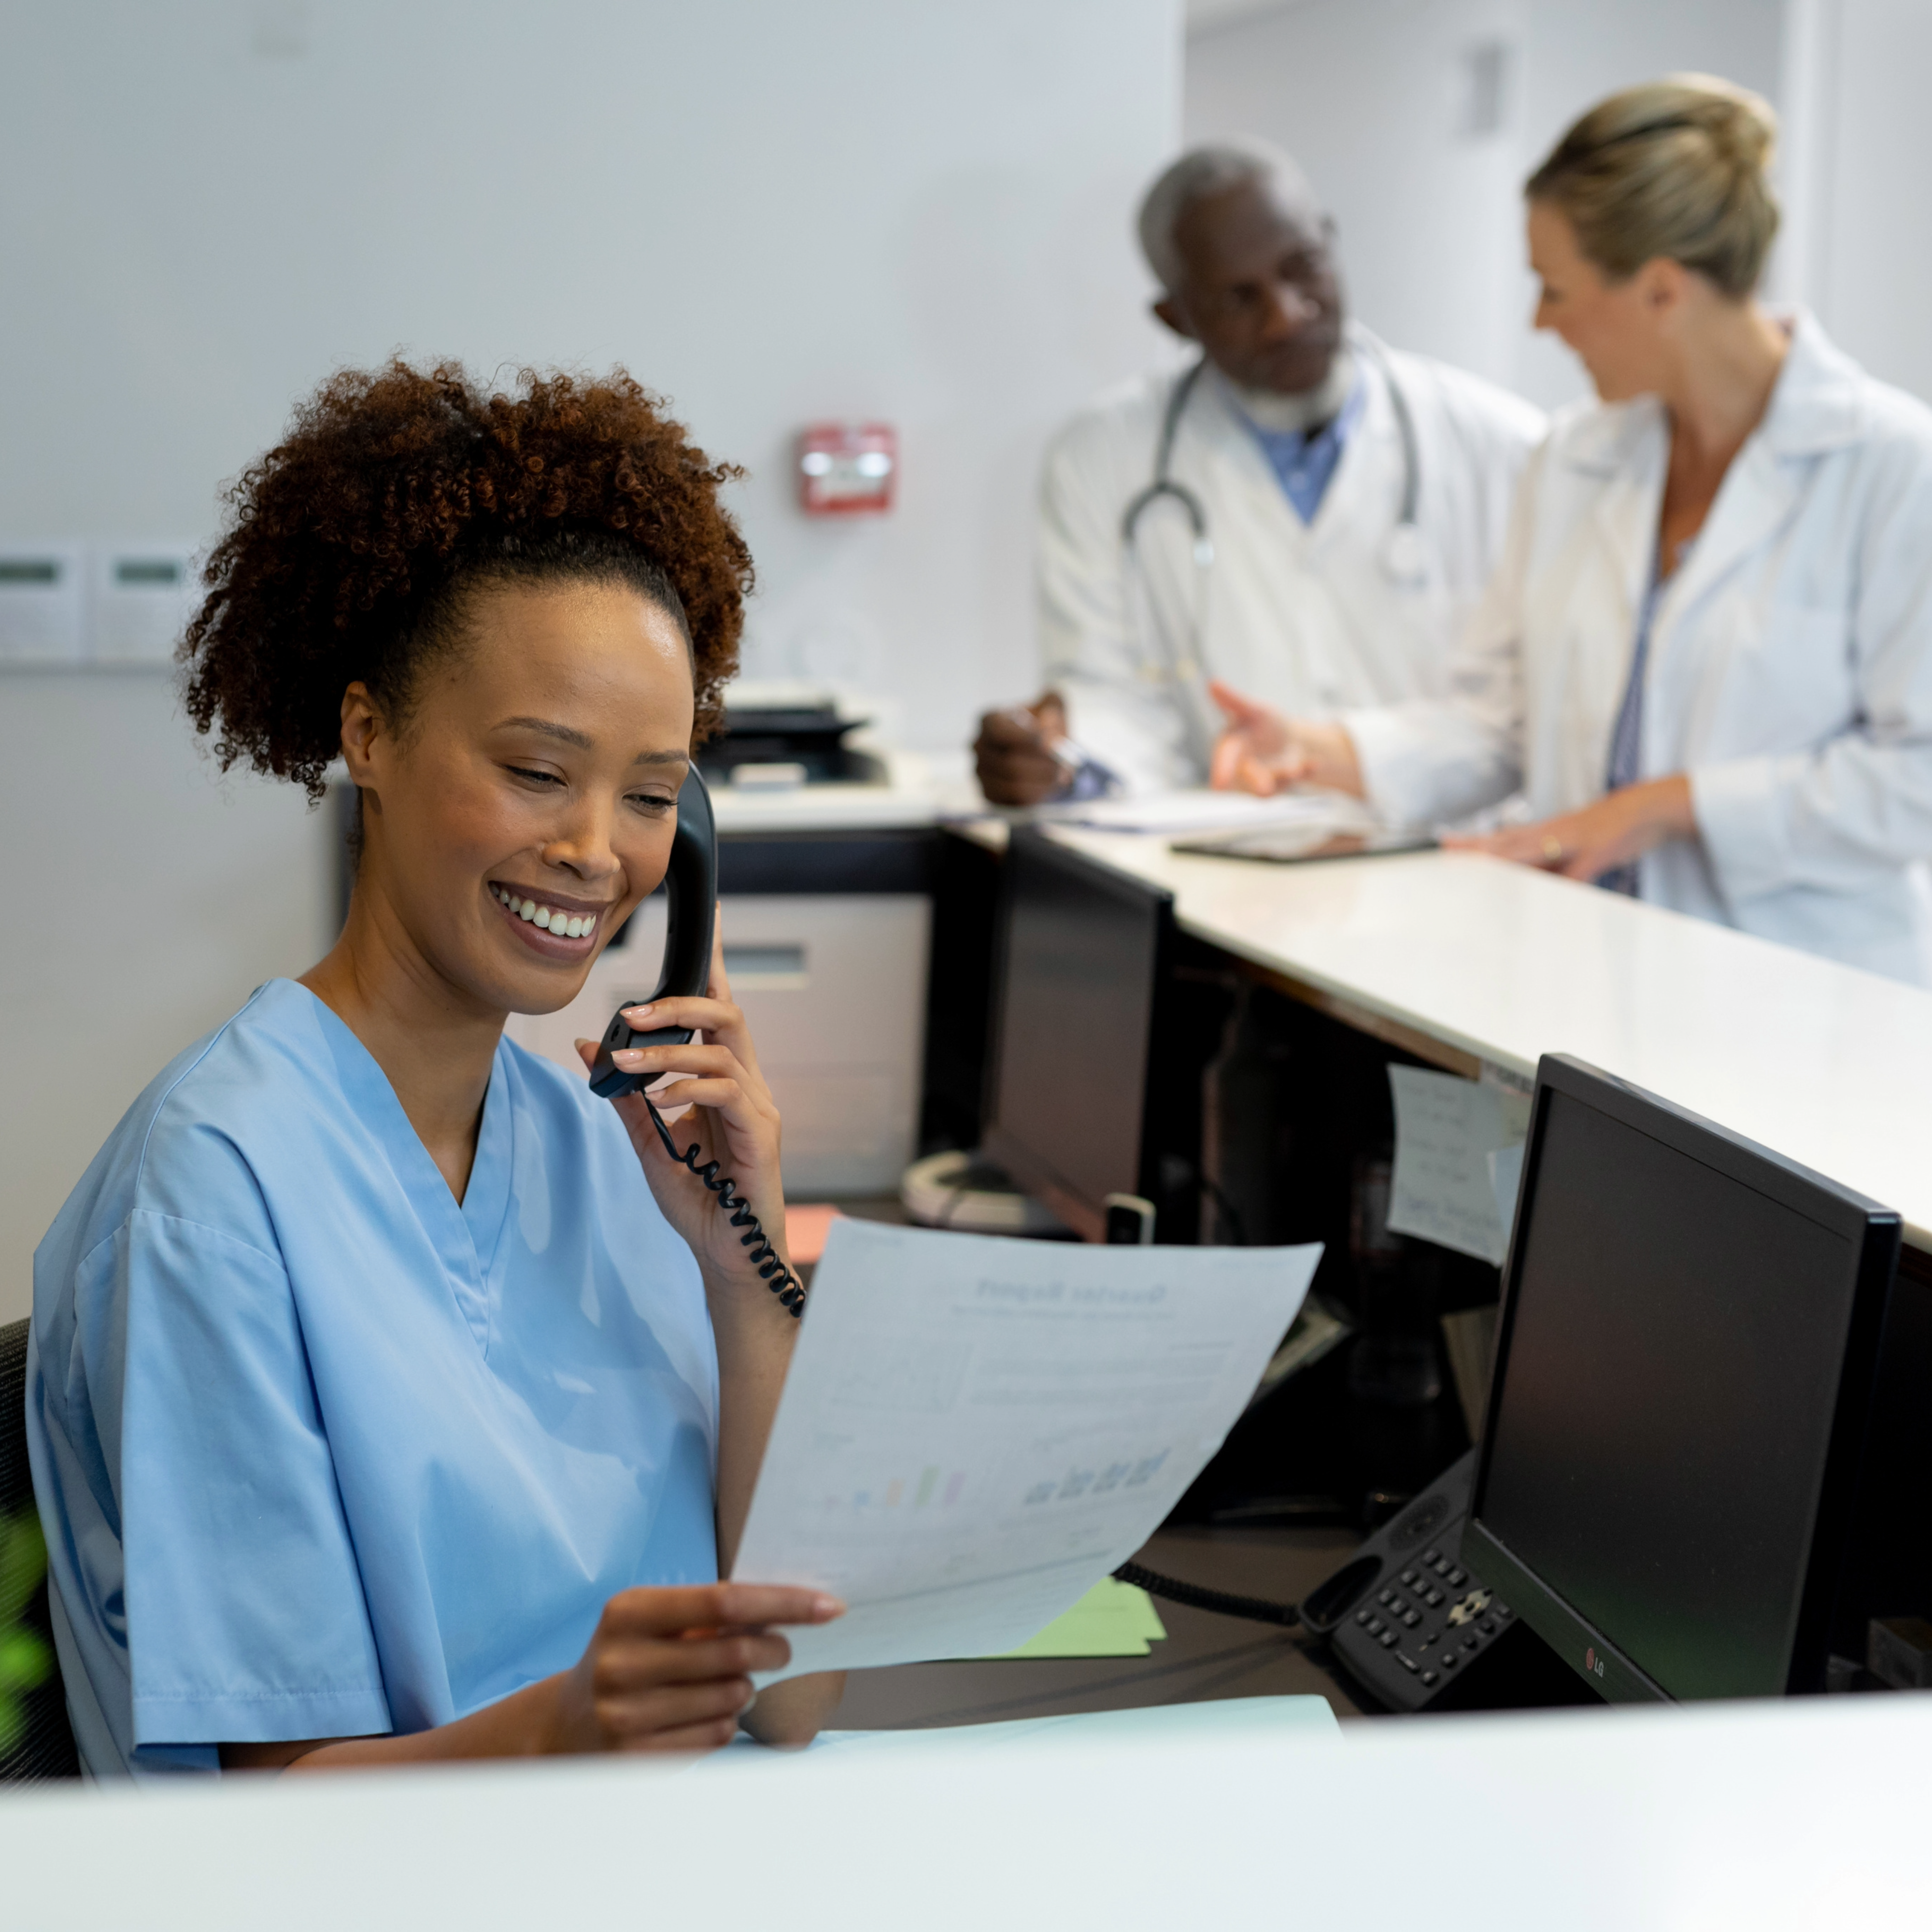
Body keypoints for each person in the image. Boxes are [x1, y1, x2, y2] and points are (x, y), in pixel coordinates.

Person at [26, 363, 846, 1775]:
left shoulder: (610, 1148)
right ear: (369, 737)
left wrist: (744, 1265)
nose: (599, 851)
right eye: (539, 773)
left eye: (652, 797)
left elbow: (793, 1699)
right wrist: (573, 1728)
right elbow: (278, 1817)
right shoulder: (215, 1195)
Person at [1210, 77, 1932, 986]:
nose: (1539, 322)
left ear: (1662, 292)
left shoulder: (1893, 466)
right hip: (1587, 980)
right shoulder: (1573, 461)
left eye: (1554, 289)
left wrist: (1674, 807)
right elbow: (1504, 719)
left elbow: (1919, 778)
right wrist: (1326, 749)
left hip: (1805, 995)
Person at [974, 139, 1545, 804]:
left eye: (1303, 268)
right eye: (1239, 299)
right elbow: (1114, 699)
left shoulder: (1505, 445)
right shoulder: (1100, 457)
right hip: (1232, 859)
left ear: (1331, 243)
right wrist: (1057, 759)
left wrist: (1339, 756)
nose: (1286, 314)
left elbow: (1521, 713)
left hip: (1454, 863)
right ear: (1176, 318)